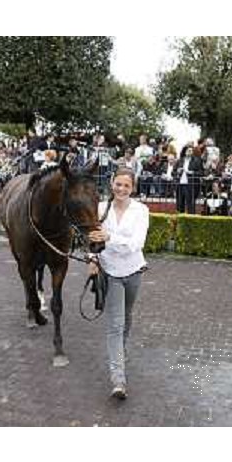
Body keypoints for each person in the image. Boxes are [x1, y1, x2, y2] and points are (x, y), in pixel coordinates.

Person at [87, 168, 150, 400]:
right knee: (115, 324)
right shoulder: (101, 209)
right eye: (118, 184)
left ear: (132, 188)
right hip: (110, 272)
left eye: (126, 186)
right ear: (111, 184)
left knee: (127, 315)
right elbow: (92, 239)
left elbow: (137, 243)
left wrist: (110, 237)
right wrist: (92, 259)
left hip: (134, 270)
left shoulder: (141, 211)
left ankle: (119, 356)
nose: (121, 189)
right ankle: (118, 379)